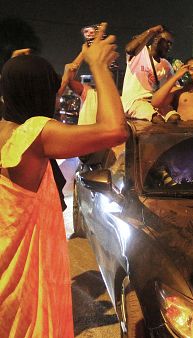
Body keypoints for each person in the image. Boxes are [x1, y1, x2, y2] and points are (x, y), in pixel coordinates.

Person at [0, 23, 128, 337]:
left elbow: (46, 91)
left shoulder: (7, 128)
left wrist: (76, 62)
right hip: (24, 278)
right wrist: (99, 67)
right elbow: (115, 130)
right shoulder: (37, 134)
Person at [121, 25, 177, 122]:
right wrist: (151, 31)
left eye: (171, 44)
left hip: (154, 103)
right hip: (134, 102)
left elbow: (174, 87)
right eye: (167, 42)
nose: (169, 47)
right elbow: (129, 49)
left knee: (175, 118)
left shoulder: (166, 65)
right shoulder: (139, 52)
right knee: (157, 119)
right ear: (156, 40)